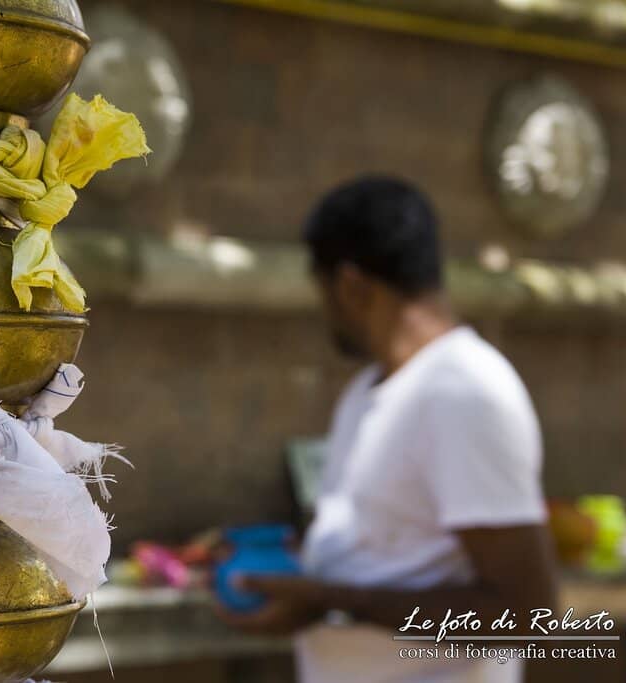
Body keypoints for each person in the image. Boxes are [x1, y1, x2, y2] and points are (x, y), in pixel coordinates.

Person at [219, 176, 557, 682]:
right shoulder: (370, 389)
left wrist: (333, 602)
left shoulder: (464, 389)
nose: (326, 314)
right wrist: (291, 570)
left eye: (323, 293)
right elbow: (384, 546)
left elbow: (527, 615)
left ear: (352, 286)